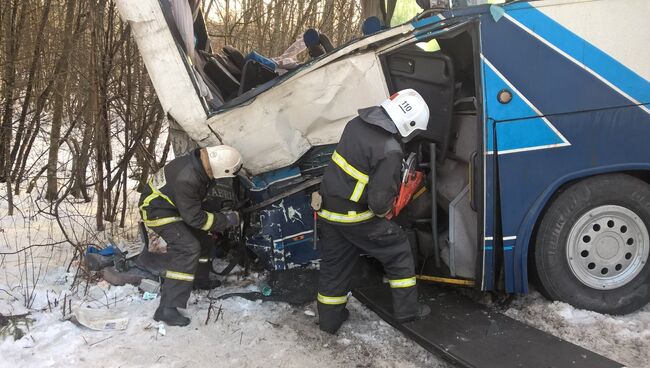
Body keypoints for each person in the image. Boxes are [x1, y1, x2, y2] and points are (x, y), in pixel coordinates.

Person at [316, 89, 432, 334]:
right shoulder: (390, 149)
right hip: (355, 218)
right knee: (398, 250)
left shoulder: (355, 124)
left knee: (334, 267)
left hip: (327, 211)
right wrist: (398, 199)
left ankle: (329, 320)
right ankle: (408, 312)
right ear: (408, 124)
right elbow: (379, 206)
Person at [137, 145, 243, 326]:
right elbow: (195, 218)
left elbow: (194, 205)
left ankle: (199, 279)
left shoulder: (197, 164)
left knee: (205, 241)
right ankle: (166, 309)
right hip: (157, 211)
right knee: (187, 248)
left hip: (173, 206)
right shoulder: (187, 178)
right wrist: (225, 220)